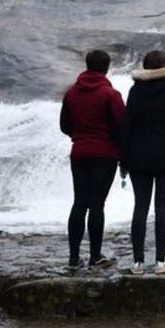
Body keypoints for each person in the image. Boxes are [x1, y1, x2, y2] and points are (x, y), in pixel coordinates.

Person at [121, 49, 165, 275]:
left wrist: (123, 158)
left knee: (140, 207)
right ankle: (161, 262)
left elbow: (127, 126)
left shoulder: (135, 90)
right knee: (163, 206)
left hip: (138, 156)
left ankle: (138, 263)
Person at [59, 49, 125, 271]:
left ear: (87, 65)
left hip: (79, 153)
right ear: (107, 67)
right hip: (105, 154)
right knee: (97, 204)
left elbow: (65, 126)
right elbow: (121, 127)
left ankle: (73, 257)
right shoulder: (111, 95)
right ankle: (95, 255)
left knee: (79, 202)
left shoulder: (71, 93)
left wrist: (79, 137)